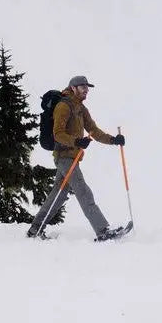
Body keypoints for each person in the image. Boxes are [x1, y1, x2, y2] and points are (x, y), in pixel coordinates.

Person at [27, 75, 125, 240]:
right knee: (83, 191)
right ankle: (102, 231)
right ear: (73, 88)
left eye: (87, 87)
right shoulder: (64, 106)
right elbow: (57, 134)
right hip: (64, 156)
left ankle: (35, 229)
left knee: (58, 195)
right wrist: (76, 141)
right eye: (82, 87)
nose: (86, 90)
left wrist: (113, 140)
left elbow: (94, 130)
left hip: (71, 157)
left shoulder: (81, 109)